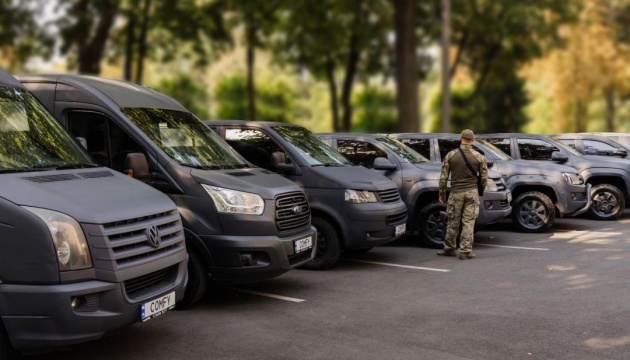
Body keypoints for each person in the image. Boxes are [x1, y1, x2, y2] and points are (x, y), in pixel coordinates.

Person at [437, 129, 488, 260]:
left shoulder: (450, 155)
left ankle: (449, 248)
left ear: (461, 138)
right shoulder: (479, 157)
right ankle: (465, 251)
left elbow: (443, 178)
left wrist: (442, 193)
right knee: (468, 222)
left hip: (456, 193)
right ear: (473, 140)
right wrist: (479, 189)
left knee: (453, 221)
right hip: (472, 193)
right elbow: (484, 178)